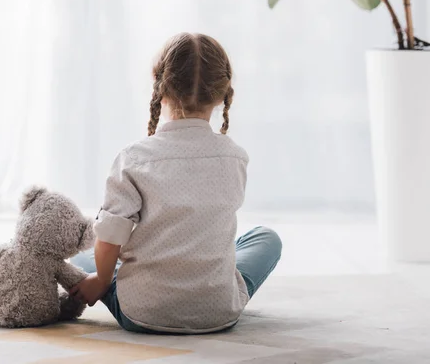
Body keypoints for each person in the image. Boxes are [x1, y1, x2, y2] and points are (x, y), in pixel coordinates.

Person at [69, 33, 282, 334]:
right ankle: (213, 287)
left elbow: (110, 236)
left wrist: (101, 282)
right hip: (219, 313)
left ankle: (111, 279)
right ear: (223, 93)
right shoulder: (236, 157)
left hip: (141, 312)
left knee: (84, 257)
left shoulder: (133, 158)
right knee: (266, 238)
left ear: (159, 87)